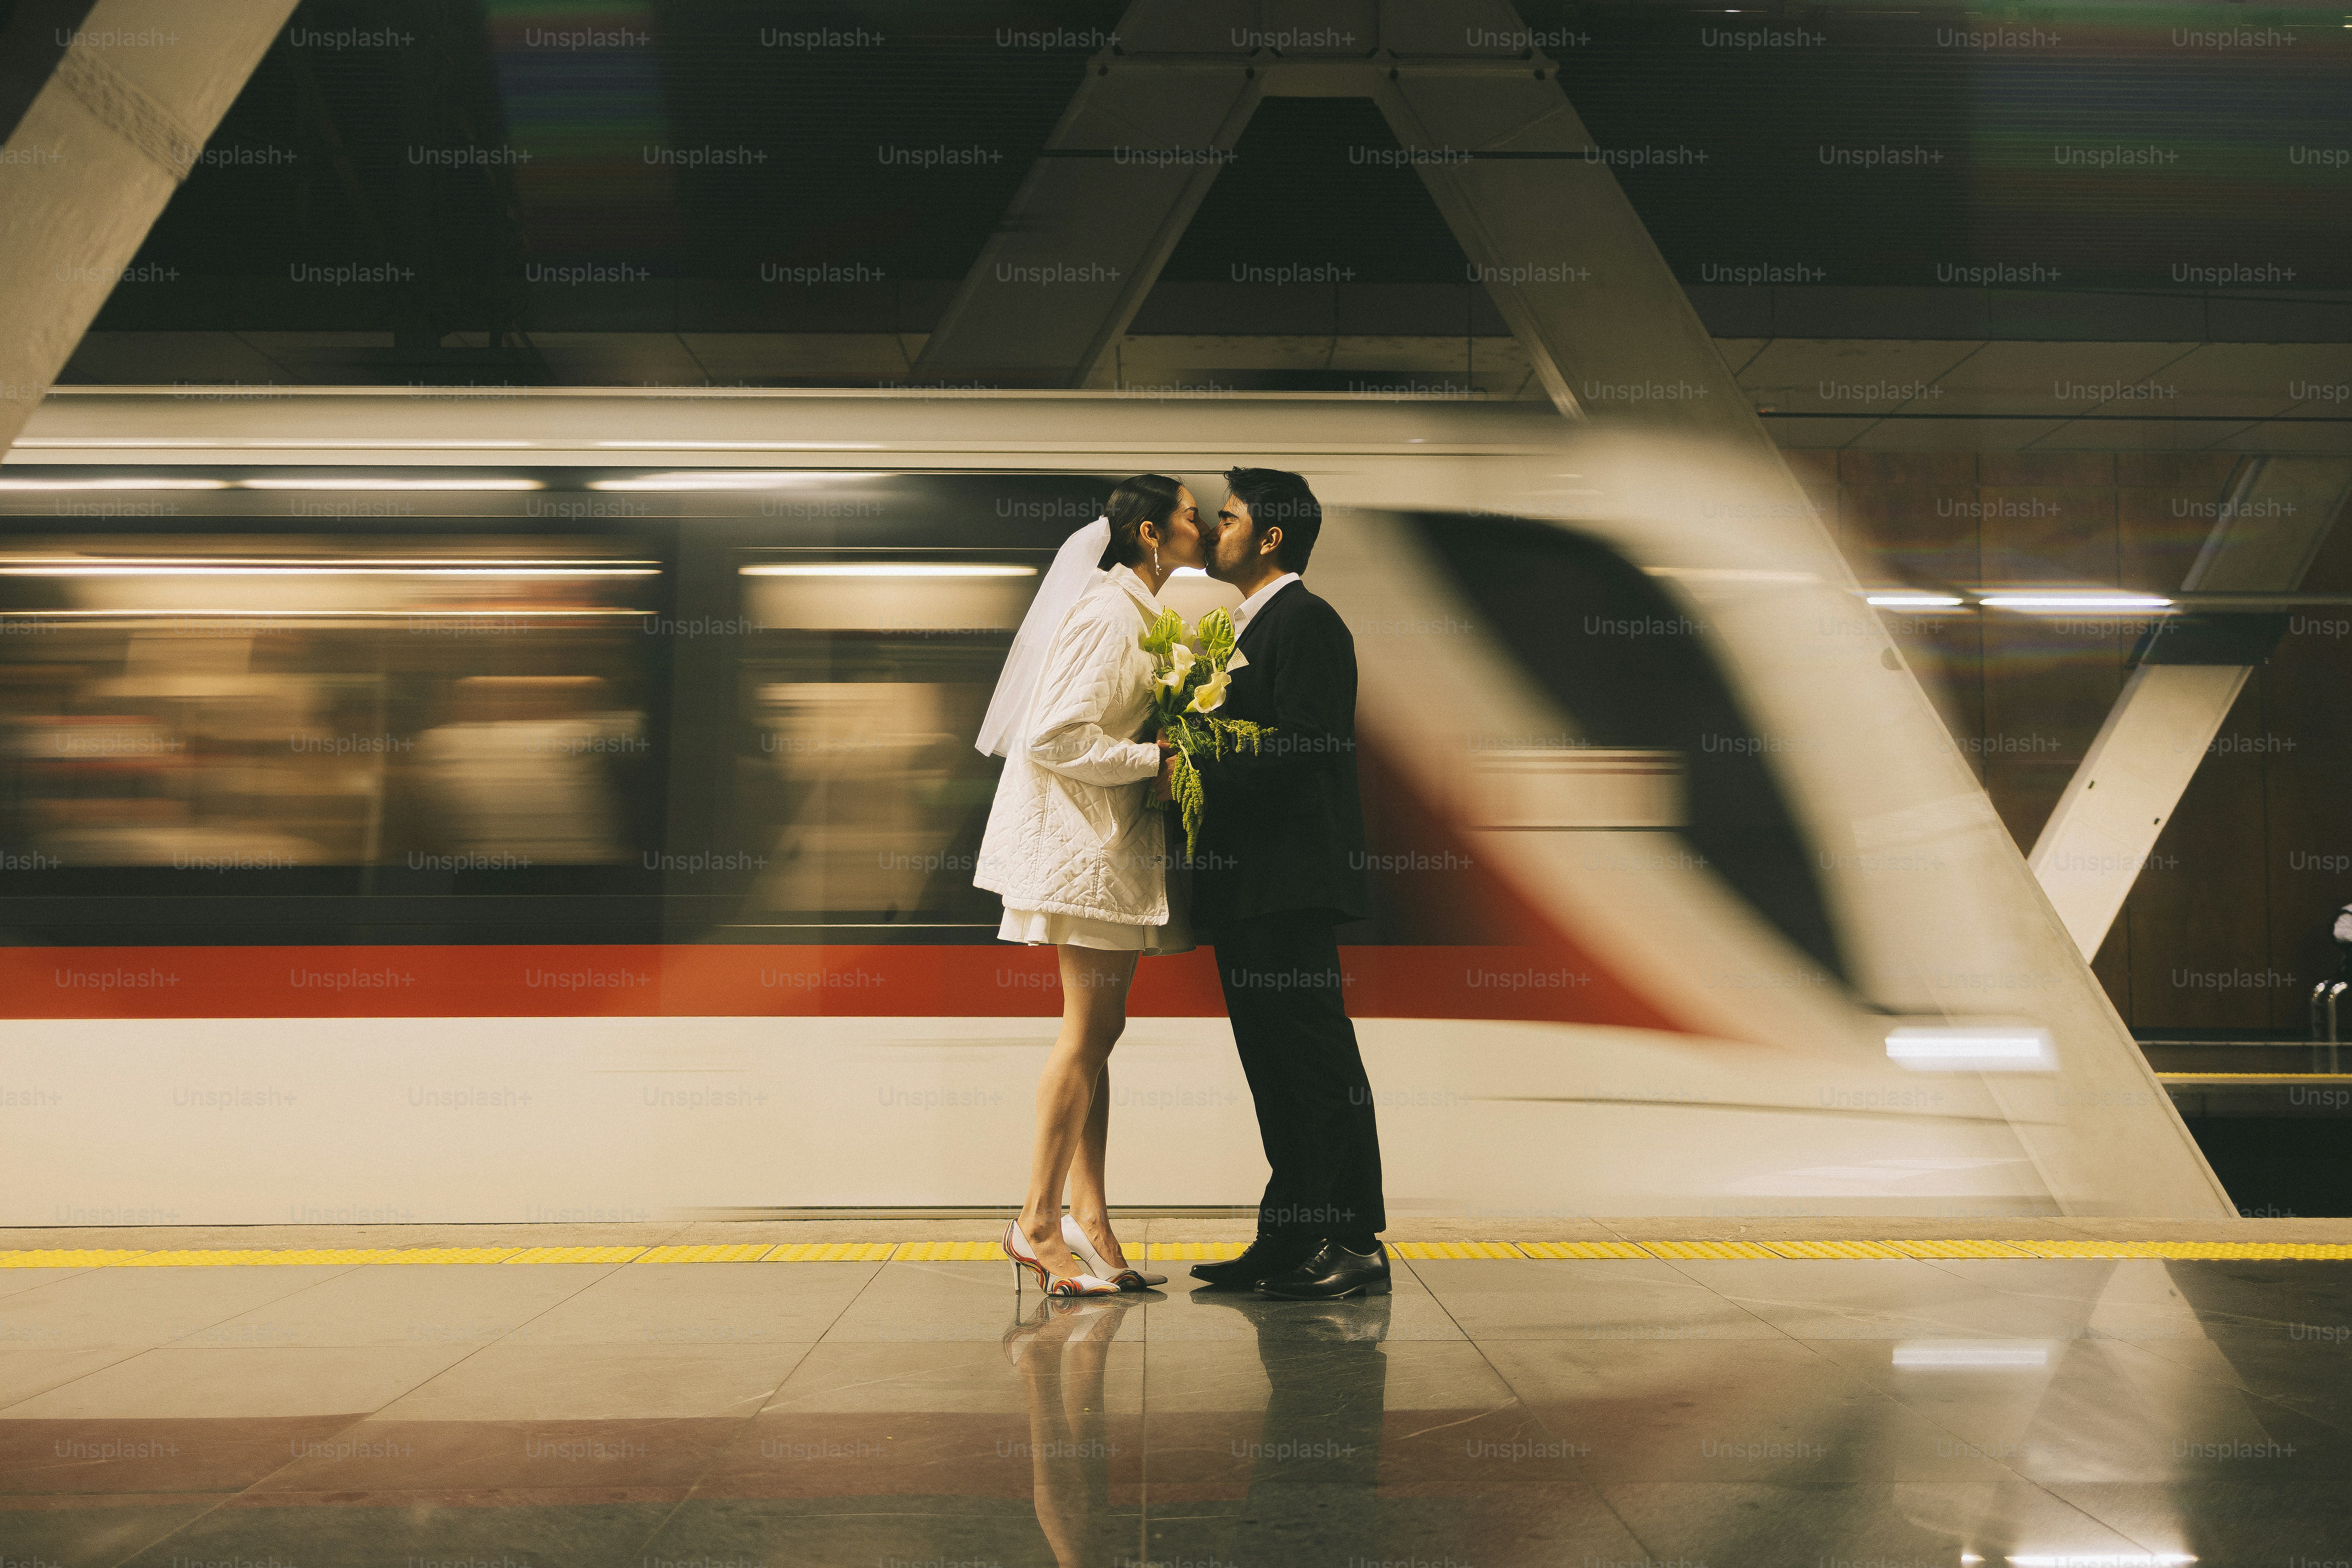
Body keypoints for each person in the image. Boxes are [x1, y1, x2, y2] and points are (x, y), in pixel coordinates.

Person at [975, 475, 1204, 1297]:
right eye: (1188, 514)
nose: (1203, 524)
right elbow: (1055, 735)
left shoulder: (1133, 613)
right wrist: (1161, 759)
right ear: (1149, 533)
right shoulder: (1111, 615)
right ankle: (1036, 1221)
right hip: (1086, 852)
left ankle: (1089, 1215)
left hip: (1100, 851)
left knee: (1098, 1032)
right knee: (1087, 1035)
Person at [1184, 468, 1390, 1300]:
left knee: (1314, 1062)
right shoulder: (1248, 625)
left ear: (1269, 537)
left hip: (1290, 883)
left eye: (1227, 517)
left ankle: (1352, 1238)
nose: (1212, 527)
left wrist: (1195, 751)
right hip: (1252, 886)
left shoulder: (1307, 622)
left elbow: (1309, 746)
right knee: (1273, 1065)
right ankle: (1292, 1233)